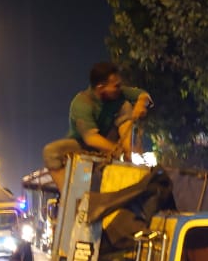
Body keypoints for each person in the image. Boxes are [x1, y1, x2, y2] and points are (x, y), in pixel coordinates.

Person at [42, 60, 152, 191]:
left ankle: (129, 158)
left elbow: (144, 95)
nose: (119, 88)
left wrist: (141, 103)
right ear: (101, 88)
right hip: (84, 145)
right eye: (115, 86)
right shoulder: (82, 103)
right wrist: (115, 149)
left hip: (113, 142)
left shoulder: (119, 94)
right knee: (50, 152)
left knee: (126, 106)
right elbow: (91, 138)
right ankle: (68, 195)